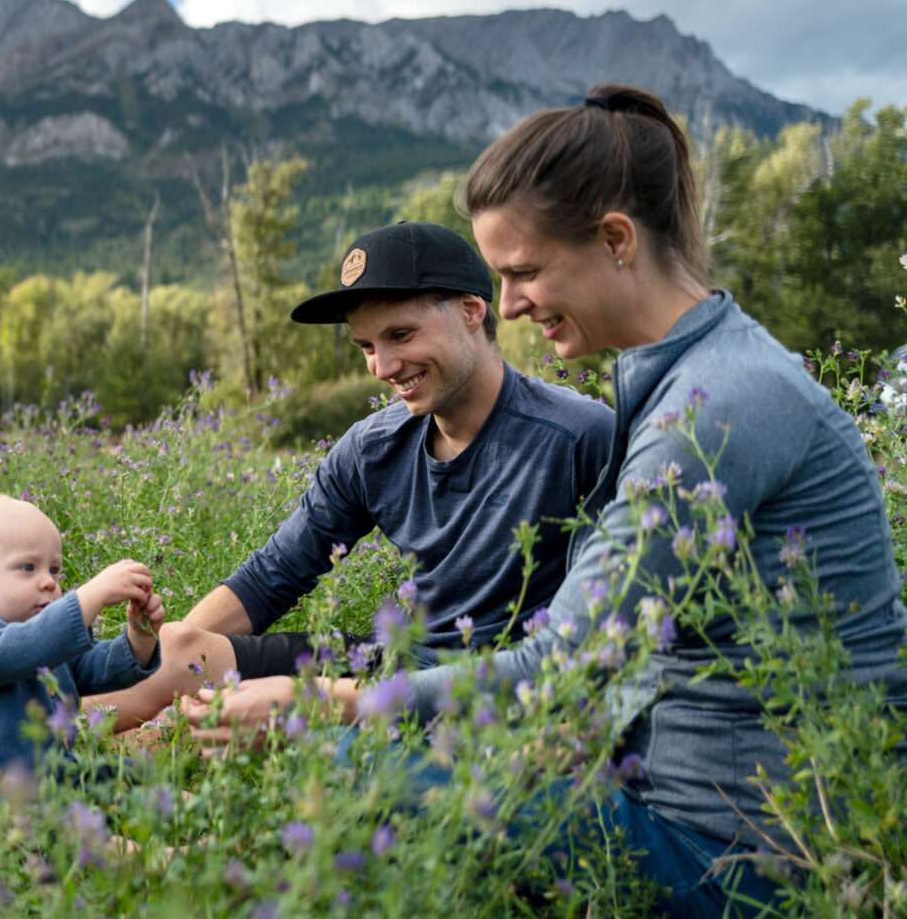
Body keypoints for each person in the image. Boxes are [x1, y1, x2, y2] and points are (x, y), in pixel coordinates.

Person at [187, 84, 907, 916]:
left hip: (744, 852)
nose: (509, 306)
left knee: (343, 778)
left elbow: (561, 659)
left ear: (615, 240)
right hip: (677, 796)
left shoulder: (714, 408)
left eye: (523, 272)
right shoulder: (693, 379)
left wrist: (330, 703)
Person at [95, 221, 614, 727]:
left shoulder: (578, 439)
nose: (383, 367)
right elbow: (270, 578)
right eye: (366, 346)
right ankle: (49, 737)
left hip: (487, 690)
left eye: (400, 335)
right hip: (386, 663)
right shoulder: (372, 448)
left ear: (471, 311)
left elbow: (600, 636)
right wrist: (161, 676)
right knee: (184, 647)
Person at [0, 493, 167, 771]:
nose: (49, 582)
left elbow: (94, 667)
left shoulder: (41, 642)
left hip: (51, 779)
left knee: (142, 776)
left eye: (54, 570)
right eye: (28, 567)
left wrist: (139, 640)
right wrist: (88, 598)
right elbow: (19, 648)